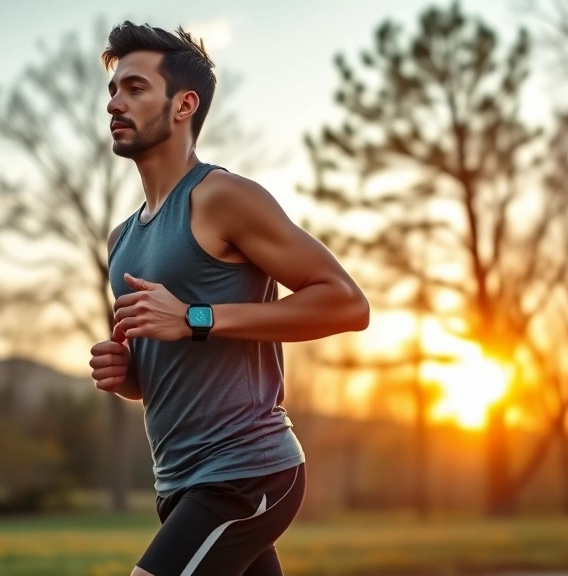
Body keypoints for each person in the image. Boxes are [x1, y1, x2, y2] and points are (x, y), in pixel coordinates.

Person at [88, 22, 370, 576]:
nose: (115, 103)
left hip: (247, 472)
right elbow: (172, 370)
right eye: (113, 90)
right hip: (178, 485)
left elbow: (346, 303)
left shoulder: (222, 198)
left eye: (135, 88)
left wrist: (195, 316)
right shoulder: (121, 240)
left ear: (183, 105)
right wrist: (128, 375)